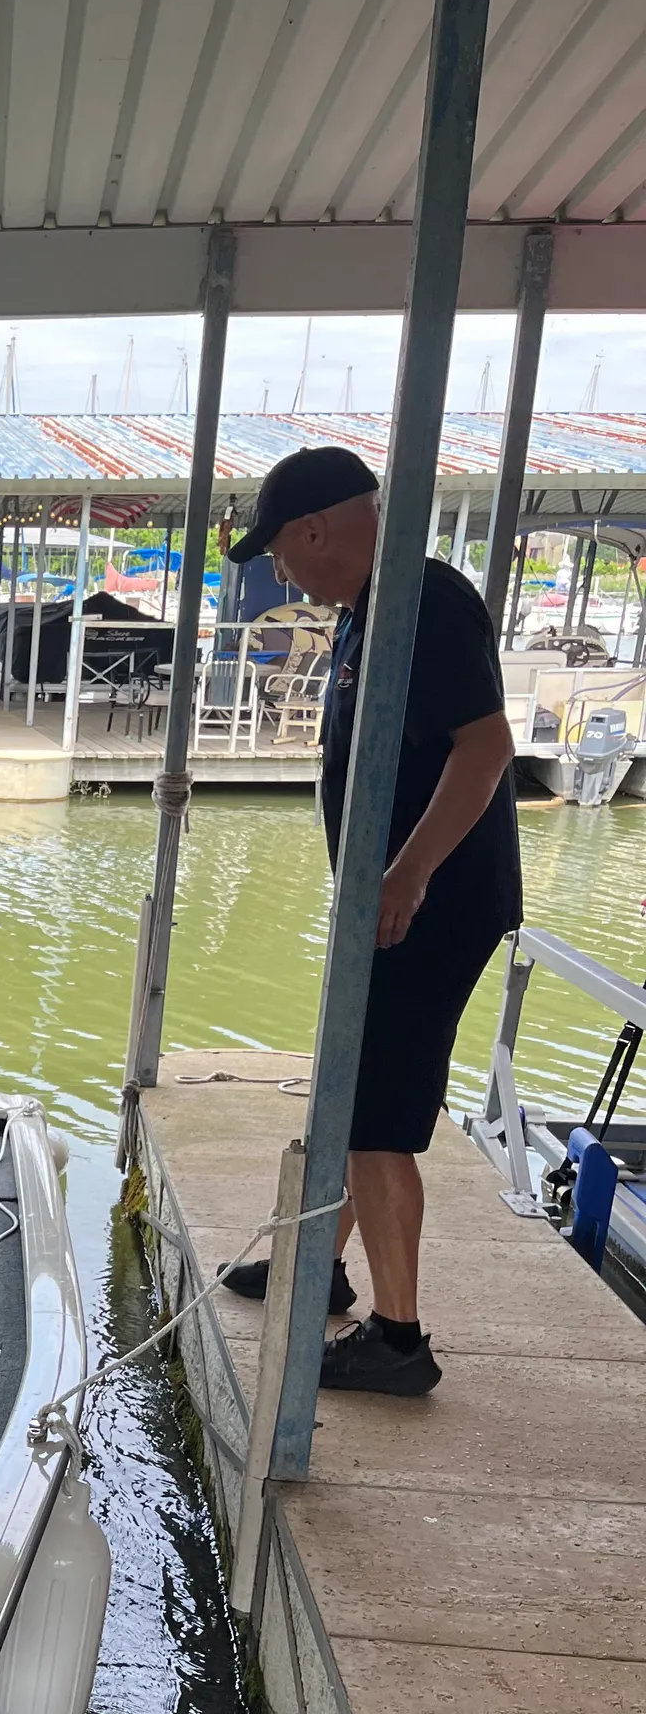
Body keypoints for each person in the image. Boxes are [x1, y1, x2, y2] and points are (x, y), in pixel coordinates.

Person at [218, 445, 520, 1395]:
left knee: (381, 1115)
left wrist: (405, 875)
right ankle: (321, 1264)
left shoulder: (422, 603)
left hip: (429, 906)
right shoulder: (363, 613)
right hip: (394, 901)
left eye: (277, 551)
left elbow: (486, 748)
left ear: (314, 529)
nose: (279, 572)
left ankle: (399, 1338)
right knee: (354, 1090)